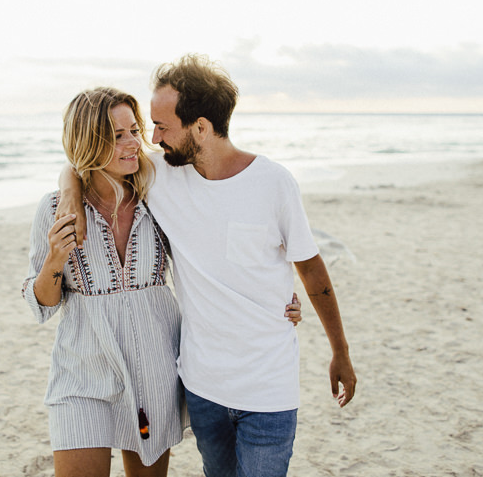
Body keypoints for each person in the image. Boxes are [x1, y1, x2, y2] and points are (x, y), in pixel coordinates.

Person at [59, 55, 356, 477]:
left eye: (161, 126)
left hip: (269, 388)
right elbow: (88, 157)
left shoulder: (274, 183)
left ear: (200, 127)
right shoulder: (161, 174)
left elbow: (312, 273)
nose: (152, 137)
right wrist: (69, 190)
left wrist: (340, 352)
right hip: (202, 388)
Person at [22, 87, 183, 476]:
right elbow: (41, 303)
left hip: (153, 371)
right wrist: (55, 259)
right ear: (88, 142)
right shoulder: (55, 208)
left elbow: (209, 263)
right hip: (82, 374)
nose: (133, 143)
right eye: (116, 136)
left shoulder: (159, 196)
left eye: (134, 130)